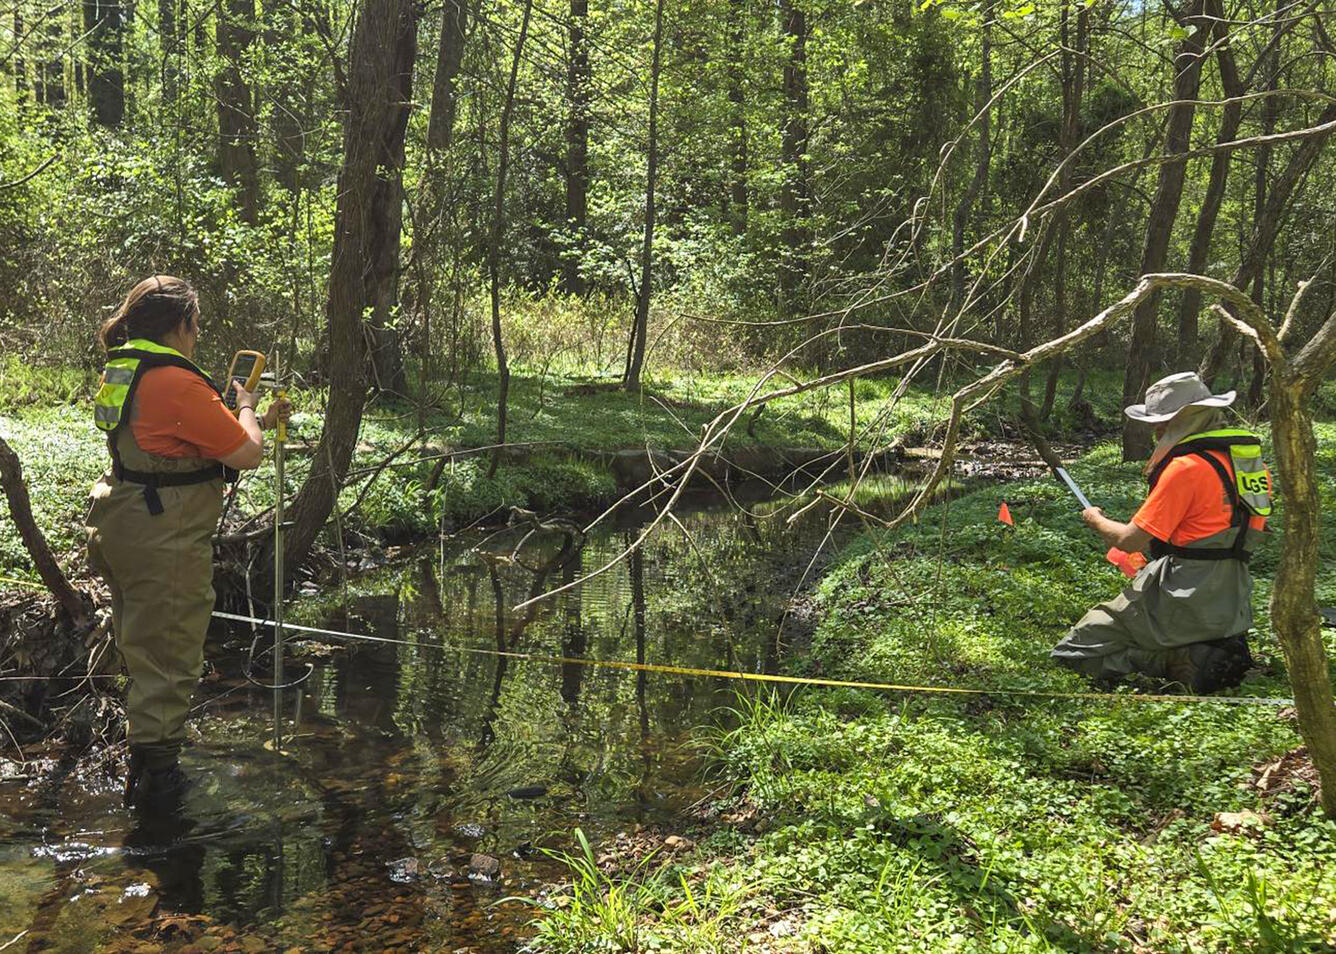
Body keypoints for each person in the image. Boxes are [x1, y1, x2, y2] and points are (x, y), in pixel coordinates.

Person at [86, 276, 290, 810]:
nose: (197, 337)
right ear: (179, 325)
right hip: (162, 535)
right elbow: (246, 454)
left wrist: (249, 418)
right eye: (195, 326)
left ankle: (143, 763)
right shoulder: (176, 382)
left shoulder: (124, 366)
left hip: (121, 518)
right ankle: (158, 788)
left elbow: (167, 441)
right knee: (170, 653)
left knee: (142, 644)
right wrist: (248, 407)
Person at [1051, 371, 1271, 692]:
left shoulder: (1185, 468)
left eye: (1162, 422)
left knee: (1072, 652)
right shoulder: (1253, 466)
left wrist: (1095, 519)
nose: (1156, 431)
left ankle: (1178, 659)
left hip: (1182, 592)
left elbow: (1128, 541)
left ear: (1184, 419)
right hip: (1232, 599)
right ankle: (1208, 645)